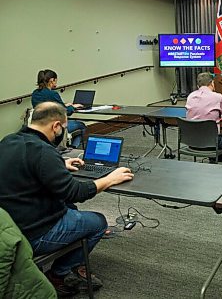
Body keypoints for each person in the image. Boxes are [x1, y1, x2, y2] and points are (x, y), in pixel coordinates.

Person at [0, 102, 134, 296]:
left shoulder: (8, 141)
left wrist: (59, 164)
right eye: (63, 127)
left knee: (70, 208)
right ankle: (60, 273)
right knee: (98, 222)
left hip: (10, 227)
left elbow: (25, 165)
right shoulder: (44, 151)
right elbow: (75, 192)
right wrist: (109, 179)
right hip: (34, 233)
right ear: (56, 126)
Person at [185, 72, 222, 162]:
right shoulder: (218, 97)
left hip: (192, 143)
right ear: (212, 83)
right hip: (212, 143)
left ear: (198, 86)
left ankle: (213, 159)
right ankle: (214, 159)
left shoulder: (190, 96)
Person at [32, 69, 87, 148]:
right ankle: (73, 147)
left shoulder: (35, 93)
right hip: (54, 125)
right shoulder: (53, 94)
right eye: (55, 81)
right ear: (51, 80)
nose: (56, 83)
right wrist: (72, 107)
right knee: (81, 125)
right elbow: (65, 112)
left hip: (40, 125)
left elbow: (48, 106)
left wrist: (65, 105)